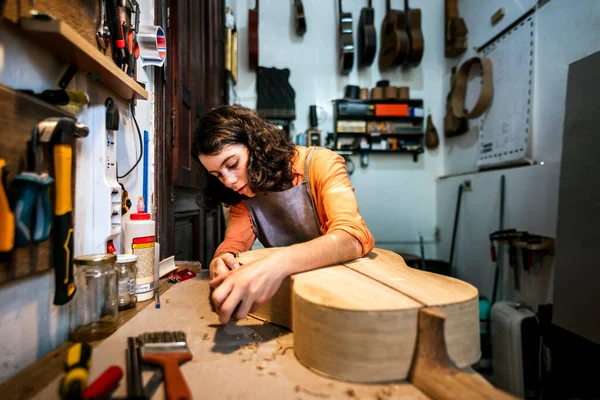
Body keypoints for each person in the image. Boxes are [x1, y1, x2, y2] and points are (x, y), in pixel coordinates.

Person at [192, 105, 374, 324]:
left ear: (255, 145)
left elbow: (352, 237)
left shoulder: (319, 163)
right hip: (297, 296)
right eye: (217, 175)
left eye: (232, 164)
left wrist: (279, 263)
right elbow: (233, 245)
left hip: (347, 291)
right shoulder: (241, 194)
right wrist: (220, 260)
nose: (228, 181)